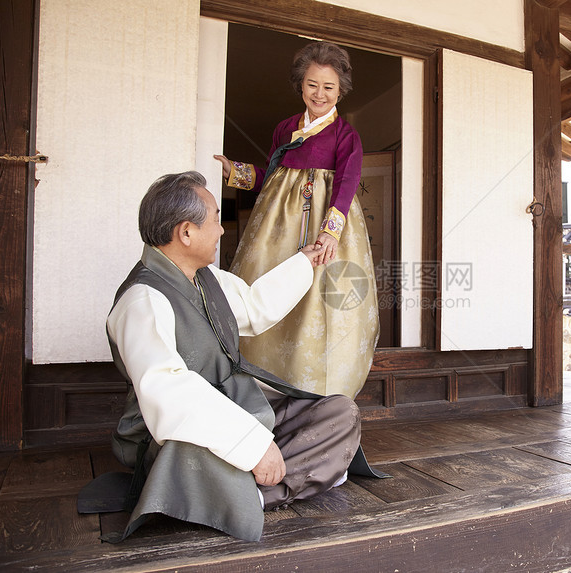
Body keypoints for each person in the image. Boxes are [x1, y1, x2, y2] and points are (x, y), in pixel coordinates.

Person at [96, 171, 375, 543]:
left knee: (340, 413)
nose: (221, 230)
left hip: (237, 409)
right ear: (186, 232)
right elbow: (168, 394)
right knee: (197, 454)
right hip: (175, 437)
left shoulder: (205, 276)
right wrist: (254, 445)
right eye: (214, 219)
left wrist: (304, 262)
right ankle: (261, 490)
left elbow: (256, 307)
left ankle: (239, 491)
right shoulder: (142, 300)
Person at [215, 41, 378, 399]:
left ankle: (317, 392)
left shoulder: (346, 135)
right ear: (300, 85)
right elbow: (272, 177)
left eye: (329, 87)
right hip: (279, 226)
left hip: (326, 226)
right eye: (312, 84)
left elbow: (347, 183)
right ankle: (265, 382)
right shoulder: (285, 128)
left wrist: (331, 233)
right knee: (269, 285)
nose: (319, 94)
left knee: (322, 301)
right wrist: (235, 172)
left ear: (341, 91)